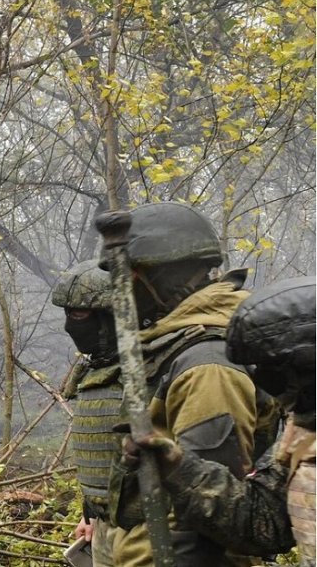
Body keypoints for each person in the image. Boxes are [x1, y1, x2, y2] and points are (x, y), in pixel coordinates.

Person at [99, 201, 261, 566]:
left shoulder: (207, 365)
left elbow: (209, 509)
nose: (122, 291)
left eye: (130, 277)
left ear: (164, 279)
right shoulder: (177, 347)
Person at [123, 276, 315, 565]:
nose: (263, 379)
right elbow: (265, 521)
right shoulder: (303, 432)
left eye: (271, 367)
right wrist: (179, 467)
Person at [52, 260, 120, 567]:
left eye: (79, 314)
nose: (71, 325)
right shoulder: (100, 368)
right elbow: (105, 453)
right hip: (108, 529)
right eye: (68, 313)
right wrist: (90, 514)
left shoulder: (156, 368)